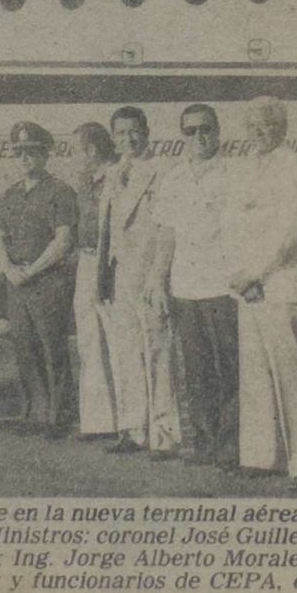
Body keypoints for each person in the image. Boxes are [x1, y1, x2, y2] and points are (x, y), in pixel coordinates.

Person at [229, 96, 297, 489]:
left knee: (291, 376)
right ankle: (261, 457)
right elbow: (234, 224)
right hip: (247, 289)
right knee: (254, 375)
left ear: (282, 128)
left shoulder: (294, 165)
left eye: (265, 125)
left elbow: (289, 232)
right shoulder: (244, 165)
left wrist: (257, 275)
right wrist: (239, 277)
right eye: (252, 126)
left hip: (279, 285)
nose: (258, 132)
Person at [150, 104, 238, 470]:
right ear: (182, 137)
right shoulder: (173, 179)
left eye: (205, 129)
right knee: (196, 371)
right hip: (185, 287)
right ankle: (203, 442)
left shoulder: (235, 172)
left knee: (229, 369)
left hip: (225, 287)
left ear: (217, 132)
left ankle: (232, 446)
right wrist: (158, 281)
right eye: (191, 131)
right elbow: (166, 235)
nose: (199, 137)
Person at [96, 106, 181, 458]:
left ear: (146, 132)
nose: (128, 139)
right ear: (113, 138)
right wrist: (103, 276)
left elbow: (167, 227)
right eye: (120, 133)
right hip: (117, 275)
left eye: (134, 131)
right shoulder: (114, 172)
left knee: (158, 353)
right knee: (126, 354)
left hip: (148, 276)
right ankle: (134, 430)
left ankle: (164, 434)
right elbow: (107, 230)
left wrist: (157, 274)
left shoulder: (163, 170)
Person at [0, 122, 78, 437]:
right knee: (24, 347)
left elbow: (63, 240)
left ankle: (59, 416)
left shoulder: (60, 191)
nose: (25, 158)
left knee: (51, 347)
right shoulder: (11, 194)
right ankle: (34, 413)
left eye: (32, 152)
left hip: (47, 281)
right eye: (19, 153)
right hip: (16, 282)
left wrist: (31, 271)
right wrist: (8, 269)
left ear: (45, 154)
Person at [70, 121, 118, 438]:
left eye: (76, 151)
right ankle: (99, 421)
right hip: (86, 262)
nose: (74, 157)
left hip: (114, 265)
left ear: (91, 150)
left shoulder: (118, 175)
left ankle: (126, 421)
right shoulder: (84, 180)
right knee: (90, 343)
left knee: (116, 341)